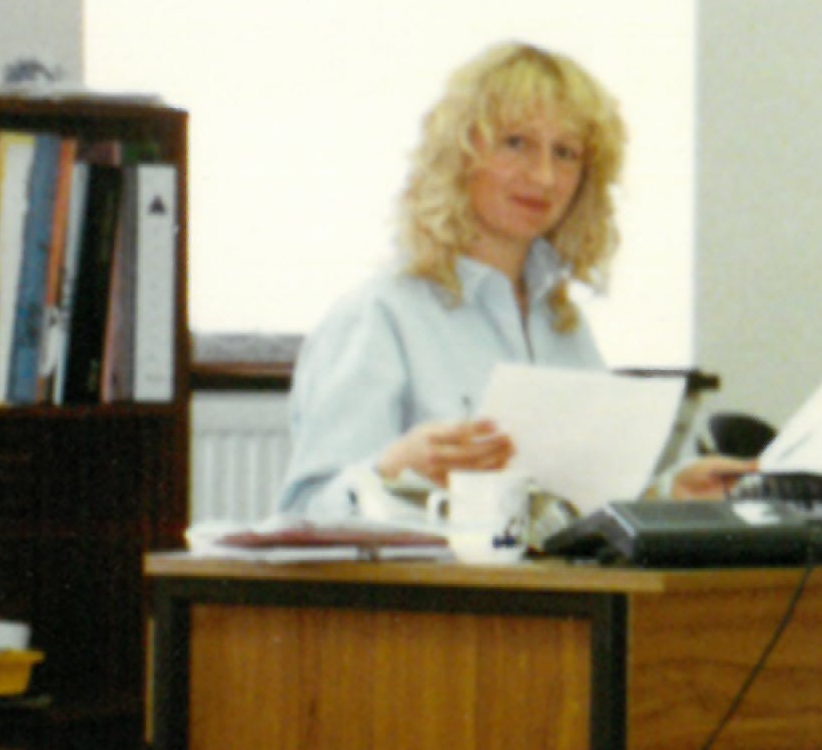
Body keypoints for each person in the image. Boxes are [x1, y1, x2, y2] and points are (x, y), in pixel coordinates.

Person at [275, 41, 741, 520]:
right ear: (459, 153)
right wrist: (392, 472)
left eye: (565, 153)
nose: (542, 177)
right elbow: (301, 516)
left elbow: (569, 504)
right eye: (516, 143)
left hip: (550, 590)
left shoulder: (563, 325)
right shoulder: (378, 315)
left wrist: (666, 494)